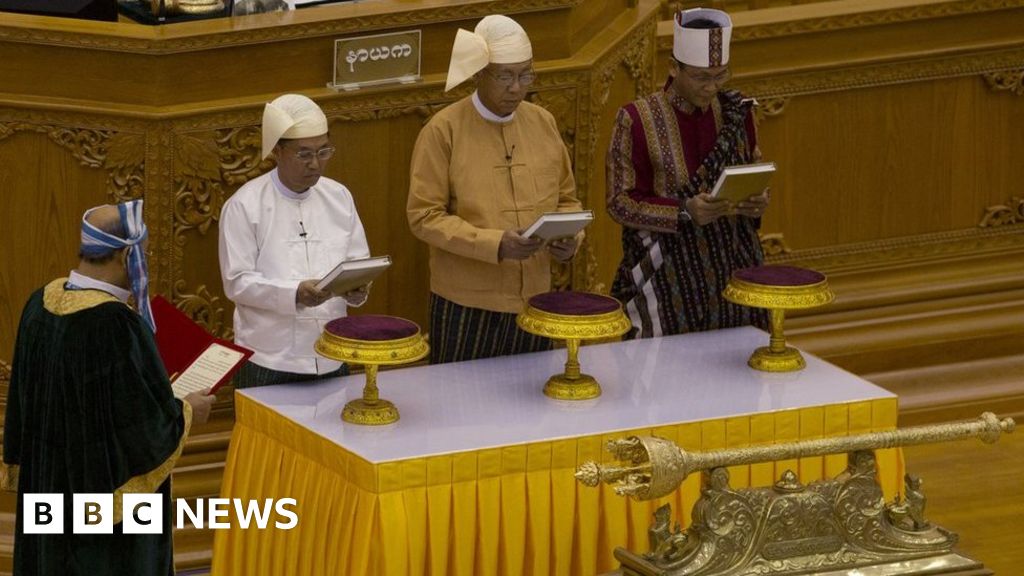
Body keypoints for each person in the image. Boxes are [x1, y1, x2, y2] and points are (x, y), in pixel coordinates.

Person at [1, 200, 215, 575]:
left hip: (50, 491)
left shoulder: (39, 304)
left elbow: (24, 405)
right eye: (143, 254)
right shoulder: (116, 325)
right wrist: (187, 412)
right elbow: (143, 434)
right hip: (103, 522)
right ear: (125, 255)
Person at [407, 14, 583, 364]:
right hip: (466, 304)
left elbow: (567, 200)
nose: (516, 87)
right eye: (505, 76)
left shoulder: (543, 122)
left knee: (533, 406)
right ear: (477, 74)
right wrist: (495, 244)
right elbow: (423, 216)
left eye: (525, 75)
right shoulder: (443, 131)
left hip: (535, 296)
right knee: (464, 408)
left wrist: (570, 239)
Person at [607, 8, 771, 338]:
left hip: (733, 266)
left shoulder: (737, 113)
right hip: (665, 276)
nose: (711, 87)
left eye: (720, 75)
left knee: (738, 374)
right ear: (673, 67)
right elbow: (619, 203)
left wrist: (758, 202)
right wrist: (684, 211)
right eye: (700, 77)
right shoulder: (635, 120)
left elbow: (751, 174)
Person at [219, 93, 371, 388]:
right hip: (269, 358)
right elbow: (237, 282)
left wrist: (357, 288)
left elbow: (357, 262)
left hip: (331, 350)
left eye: (324, 151)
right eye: (304, 154)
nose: (315, 164)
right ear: (278, 151)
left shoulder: (339, 196)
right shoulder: (245, 205)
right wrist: (294, 293)